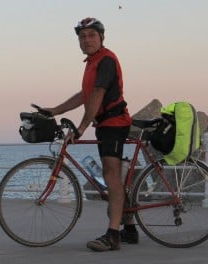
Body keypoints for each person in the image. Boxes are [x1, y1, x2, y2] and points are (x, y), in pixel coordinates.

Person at [43, 17, 138, 251]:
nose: (86, 40)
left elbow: (97, 94)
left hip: (114, 123)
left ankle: (113, 235)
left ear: (101, 37)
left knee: (111, 176)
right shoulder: (92, 62)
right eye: (82, 36)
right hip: (105, 124)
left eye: (91, 35)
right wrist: (55, 109)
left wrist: (82, 127)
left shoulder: (106, 60)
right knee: (112, 177)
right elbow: (84, 95)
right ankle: (130, 229)